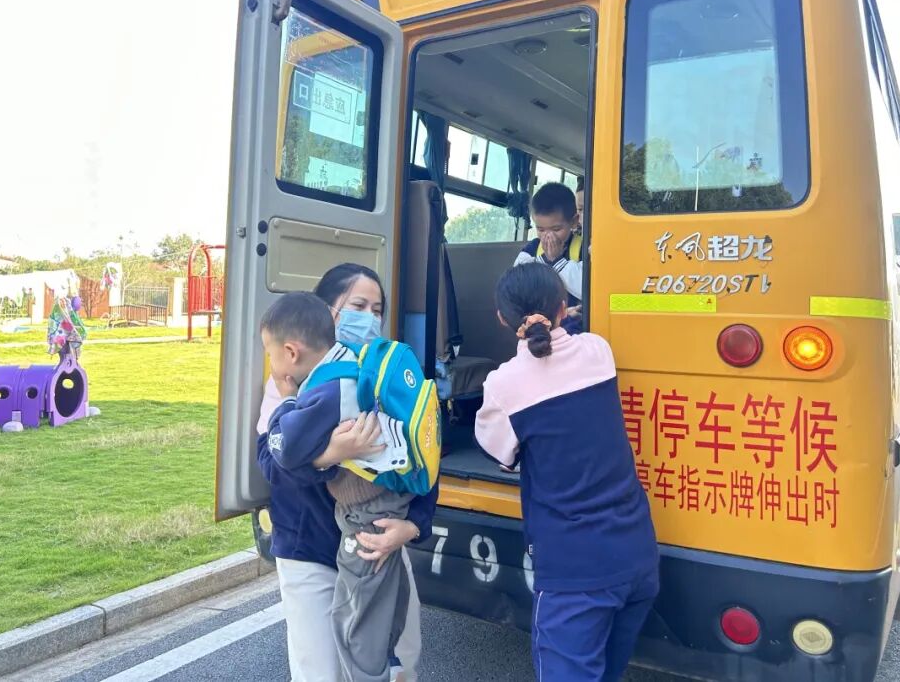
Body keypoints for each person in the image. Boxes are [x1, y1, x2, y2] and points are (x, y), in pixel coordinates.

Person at [475, 263, 658, 681]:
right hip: (637, 556)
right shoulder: (598, 350)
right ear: (563, 307)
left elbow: (498, 451)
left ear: (502, 318)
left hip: (575, 574)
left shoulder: (503, 385)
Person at [257, 264, 433, 682]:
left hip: (380, 541)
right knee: (322, 672)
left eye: (377, 308)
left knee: (400, 660)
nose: (369, 318)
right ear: (327, 311)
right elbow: (271, 461)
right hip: (310, 546)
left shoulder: (385, 372)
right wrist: (331, 454)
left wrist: (413, 526)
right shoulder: (289, 382)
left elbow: (423, 453)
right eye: (358, 306)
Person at [513, 182, 584, 333]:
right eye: (541, 229)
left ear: (573, 221)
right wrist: (546, 259)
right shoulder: (532, 249)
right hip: (539, 328)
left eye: (556, 229)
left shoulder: (583, 247)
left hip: (576, 328)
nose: (548, 236)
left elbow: (586, 288)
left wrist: (557, 260)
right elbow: (517, 286)